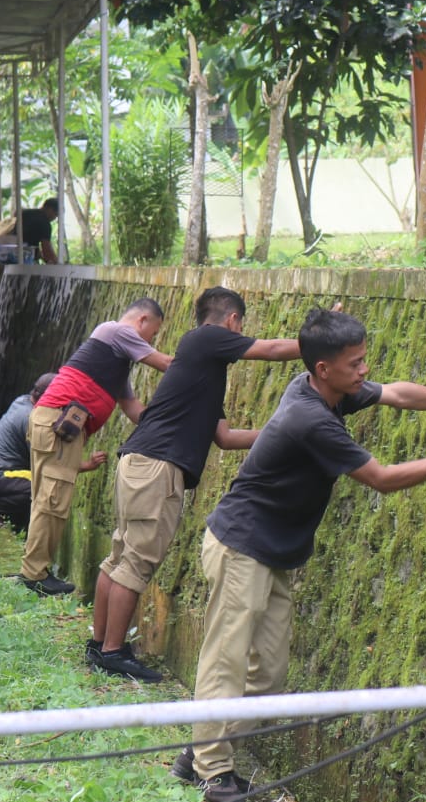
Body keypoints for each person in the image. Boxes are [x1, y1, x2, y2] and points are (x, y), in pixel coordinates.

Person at [176, 308, 426, 802]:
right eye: (355, 363)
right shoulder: (311, 418)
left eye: (364, 360)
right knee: (226, 661)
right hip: (241, 545)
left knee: (268, 676)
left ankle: (200, 751)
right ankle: (214, 772)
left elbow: (399, 395)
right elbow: (382, 479)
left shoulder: (329, 390)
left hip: (273, 551)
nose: (365, 370)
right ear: (323, 369)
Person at [88, 287, 302, 683]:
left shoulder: (202, 371)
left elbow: (225, 437)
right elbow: (271, 350)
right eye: (241, 326)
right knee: (136, 562)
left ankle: (100, 645)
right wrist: (320, 344)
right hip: (157, 466)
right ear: (232, 321)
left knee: (120, 556)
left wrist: (283, 433)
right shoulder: (206, 337)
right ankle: (113, 653)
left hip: (140, 462)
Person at [20, 298, 173, 597]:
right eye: (153, 333)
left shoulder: (116, 362)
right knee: (51, 501)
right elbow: (165, 363)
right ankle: (34, 575)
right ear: (142, 320)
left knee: (47, 499)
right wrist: (201, 362)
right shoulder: (116, 331)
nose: (151, 341)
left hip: (55, 424)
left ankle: (34, 571)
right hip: (59, 424)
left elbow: (133, 408)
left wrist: (166, 424)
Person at [0, 373, 107, 532]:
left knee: (33, 485)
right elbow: (49, 465)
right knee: (43, 489)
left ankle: (10, 519)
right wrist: (87, 465)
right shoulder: (31, 419)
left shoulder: (23, 401)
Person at [0, 198, 61, 322]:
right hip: (7, 268)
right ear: (50, 209)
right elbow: (47, 252)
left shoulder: (23, 214)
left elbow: (22, 241)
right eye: (55, 214)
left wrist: (39, 255)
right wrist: (59, 265)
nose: (55, 218)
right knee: (15, 301)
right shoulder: (44, 222)